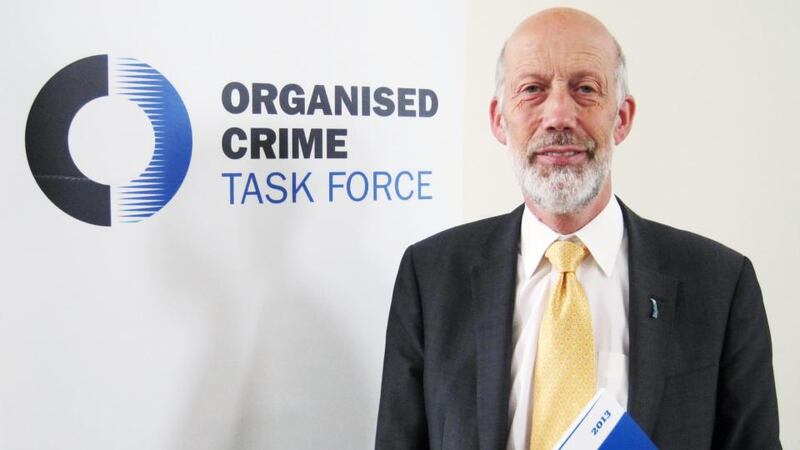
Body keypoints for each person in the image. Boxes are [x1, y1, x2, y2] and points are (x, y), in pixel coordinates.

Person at [375, 7, 781, 450]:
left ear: (622, 118)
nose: (559, 115)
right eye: (532, 90)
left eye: (585, 89)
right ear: (498, 119)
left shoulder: (720, 285)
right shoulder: (430, 276)